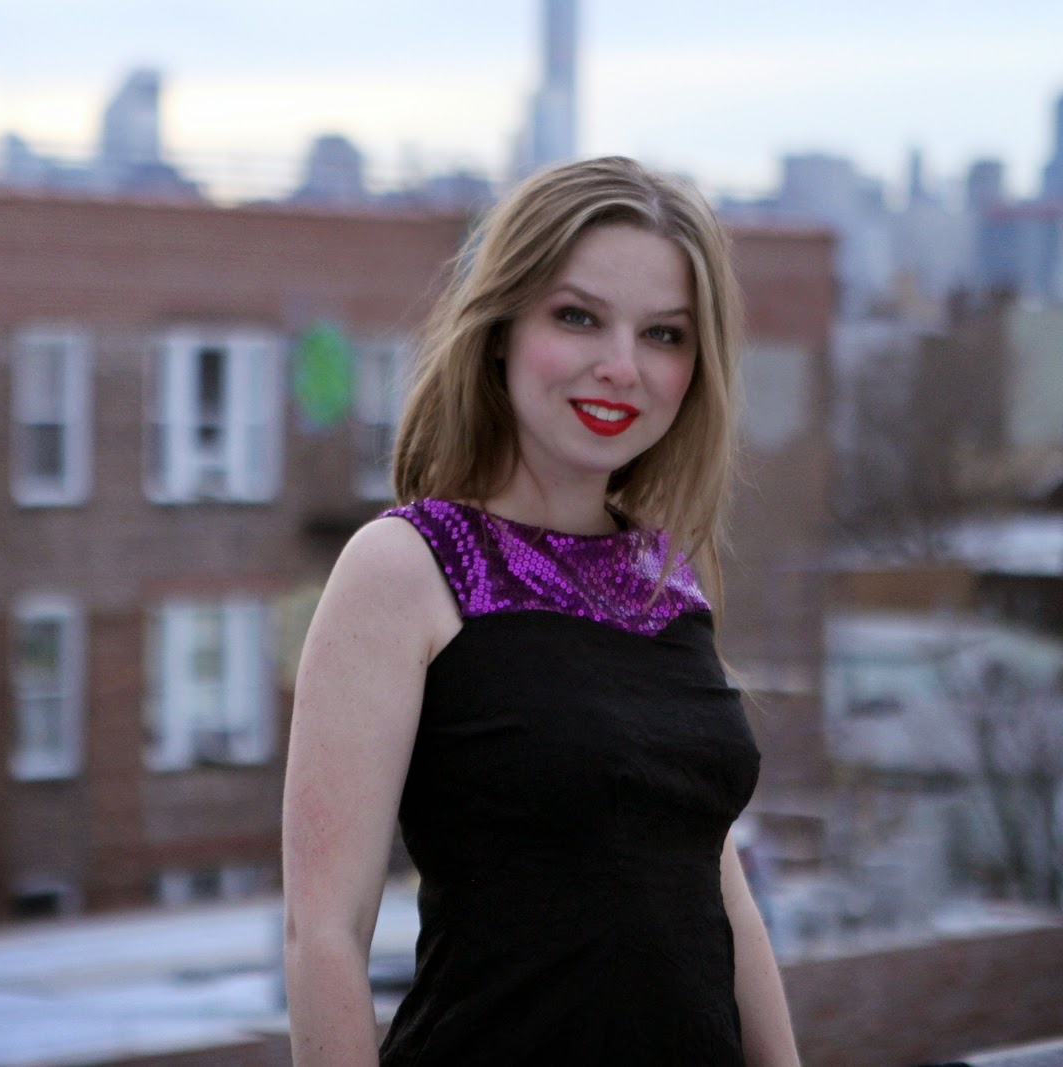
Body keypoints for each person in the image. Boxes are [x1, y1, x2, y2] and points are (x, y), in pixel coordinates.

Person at [281, 156, 801, 1066]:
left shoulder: (667, 578)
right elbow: (323, 931)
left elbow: (711, 879)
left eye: (664, 334)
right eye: (577, 317)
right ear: (501, 330)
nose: (621, 367)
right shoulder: (405, 567)